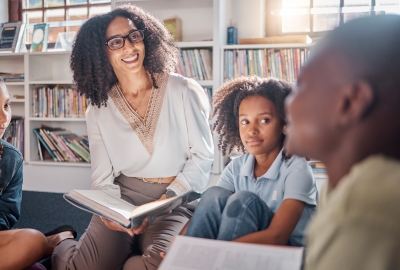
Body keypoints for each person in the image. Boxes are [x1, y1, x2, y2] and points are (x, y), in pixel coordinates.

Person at [52, 4, 214, 270]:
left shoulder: (184, 90)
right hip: (123, 197)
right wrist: (110, 215)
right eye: (116, 42)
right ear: (100, 52)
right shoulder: (98, 108)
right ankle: (62, 241)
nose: (129, 48)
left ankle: (125, 257)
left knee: (161, 265)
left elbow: (203, 155)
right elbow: (102, 176)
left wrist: (169, 198)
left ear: (146, 37)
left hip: (174, 198)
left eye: (134, 36)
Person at [284, 15, 400, 270]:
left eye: (301, 86)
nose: (288, 104)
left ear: (351, 102)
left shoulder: (366, 205)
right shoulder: (341, 187)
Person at [182, 76, 317, 246]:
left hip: (289, 255)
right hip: (240, 251)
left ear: (285, 125)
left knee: (244, 201)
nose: (252, 130)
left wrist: (216, 252)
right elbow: (209, 207)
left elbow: (277, 236)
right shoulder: (236, 167)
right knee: (213, 194)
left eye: (264, 120)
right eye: (245, 121)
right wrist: (177, 246)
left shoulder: (297, 169)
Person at [0, 78, 76, 270]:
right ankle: (50, 244)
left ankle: (43, 244)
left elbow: (5, 216)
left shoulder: (11, 158)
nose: (4, 118)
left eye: (6, 105)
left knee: (31, 241)